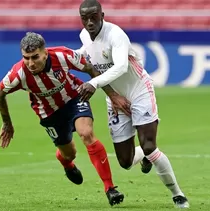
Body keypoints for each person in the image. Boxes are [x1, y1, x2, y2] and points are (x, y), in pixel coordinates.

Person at [76, 0, 190, 208]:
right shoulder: (84, 36)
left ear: (102, 15)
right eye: (85, 18)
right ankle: (146, 156)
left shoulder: (116, 35)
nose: (90, 22)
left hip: (139, 91)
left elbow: (120, 67)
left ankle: (178, 195)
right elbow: (85, 54)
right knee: (125, 162)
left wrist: (93, 83)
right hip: (115, 98)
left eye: (94, 16)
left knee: (150, 147)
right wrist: (65, 59)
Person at [0, 32, 128, 206]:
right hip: (49, 113)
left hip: (74, 98)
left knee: (86, 133)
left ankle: (110, 189)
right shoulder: (18, 73)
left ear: (45, 53)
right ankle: (65, 162)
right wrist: (7, 123)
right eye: (26, 58)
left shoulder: (62, 55)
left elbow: (89, 68)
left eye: (35, 57)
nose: (30, 63)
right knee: (69, 153)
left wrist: (111, 95)